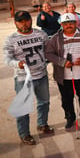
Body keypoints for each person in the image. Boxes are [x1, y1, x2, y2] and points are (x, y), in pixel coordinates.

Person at [3, 11, 54, 145]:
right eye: (21, 21)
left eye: (26, 20)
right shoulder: (11, 39)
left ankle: (42, 124)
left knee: (44, 102)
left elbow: (49, 50)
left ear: (31, 20)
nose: (24, 24)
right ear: (15, 23)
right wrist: (17, 64)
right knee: (23, 107)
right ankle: (24, 133)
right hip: (23, 79)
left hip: (41, 75)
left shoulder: (41, 34)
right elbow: (7, 59)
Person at [45, 13, 80, 128]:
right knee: (67, 99)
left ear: (76, 23)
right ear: (62, 25)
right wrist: (62, 62)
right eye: (66, 24)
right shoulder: (56, 38)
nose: (69, 26)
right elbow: (48, 54)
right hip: (64, 76)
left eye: (71, 23)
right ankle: (70, 117)